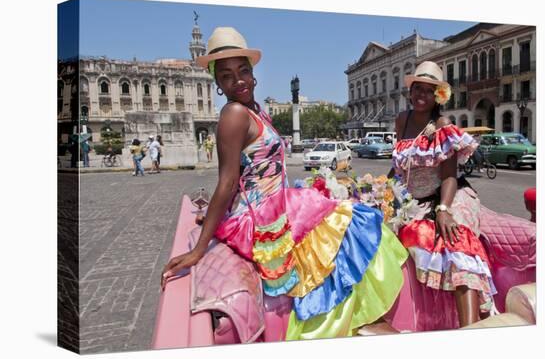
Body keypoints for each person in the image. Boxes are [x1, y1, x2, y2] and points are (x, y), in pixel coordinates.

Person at [161, 27, 408, 340]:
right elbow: (227, 181)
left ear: (253, 75)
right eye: (226, 76)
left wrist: (216, 216)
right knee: (349, 221)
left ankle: (357, 318)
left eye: (243, 71)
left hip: (277, 202)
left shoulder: (255, 110)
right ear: (218, 84)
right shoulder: (234, 113)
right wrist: (199, 249)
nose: (238, 80)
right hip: (261, 216)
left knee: (346, 219)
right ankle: (350, 321)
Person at [389, 61, 496, 327]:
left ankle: (471, 327)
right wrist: (383, 191)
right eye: (417, 89)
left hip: (450, 194)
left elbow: (449, 174)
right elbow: (399, 168)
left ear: (437, 95)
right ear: (410, 92)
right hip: (413, 200)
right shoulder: (402, 121)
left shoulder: (442, 124)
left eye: (428, 90)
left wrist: (444, 211)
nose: (421, 95)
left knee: (457, 241)